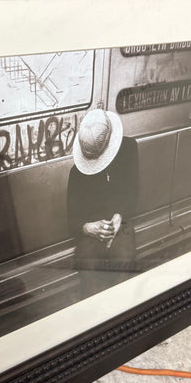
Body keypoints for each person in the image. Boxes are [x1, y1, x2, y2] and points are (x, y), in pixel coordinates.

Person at [67, 109, 138, 270]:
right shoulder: (76, 173)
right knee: (88, 264)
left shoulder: (129, 149)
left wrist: (119, 216)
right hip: (92, 230)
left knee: (124, 259)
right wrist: (87, 228)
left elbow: (134, 194)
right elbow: (72, 221)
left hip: (121, 222)